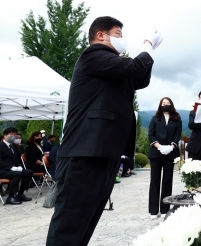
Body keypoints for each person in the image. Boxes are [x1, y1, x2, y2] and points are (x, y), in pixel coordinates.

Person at [46, 16, 162, 246]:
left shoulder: (111, 67)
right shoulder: (93, 56)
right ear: (101, 35)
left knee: (88, 217)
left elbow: (139, 77)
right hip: (84, 152)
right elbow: (134, 66)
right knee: (70, 222)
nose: (122, 40)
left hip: (104, 152)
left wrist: (149, 53)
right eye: (118, 34)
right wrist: (146, 45)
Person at [148, 97, 182, 219]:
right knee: (155, 180)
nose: (166, 104)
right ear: (160, 105)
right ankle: (153, 210)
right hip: (156, 153)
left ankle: (164, 209)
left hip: (170, 153)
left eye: (168, 103)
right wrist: (159, 146)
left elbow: (178, 134)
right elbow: (151, 135)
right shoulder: (155, 118)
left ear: (171, 104)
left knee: (167, 180)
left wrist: (171, 146)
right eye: (163, 103)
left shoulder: (177, 118)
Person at [0, 127, 34, 205]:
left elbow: (17, 159)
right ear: (4, 135)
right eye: (10, 134)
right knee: (17, 173)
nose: (13, 136)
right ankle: (10, 197)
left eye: (14, 134)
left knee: (28, 172)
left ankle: (20, 194)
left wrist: (19, 166)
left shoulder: (13, 146)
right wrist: (11, 167)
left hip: (11, 170)